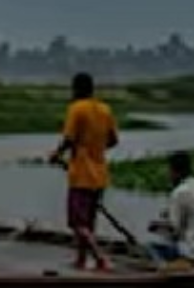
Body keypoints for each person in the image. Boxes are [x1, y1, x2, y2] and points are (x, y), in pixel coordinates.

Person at [48, 72, 119, 271]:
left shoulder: (76, 109)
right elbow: (113, 140)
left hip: (81, 175)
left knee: (77, 222)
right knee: (89, 222)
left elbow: (69, 138)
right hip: (100, 174)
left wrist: (57, 154)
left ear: (77, 89)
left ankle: (100, 259)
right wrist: (96, 147)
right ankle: (80, 260)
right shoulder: (105, 109)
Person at [147, 151, 194, 265]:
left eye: (169, 171)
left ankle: (164, 271)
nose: (168, 175)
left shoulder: (179, 192)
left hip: (192, 252)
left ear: (175, 172)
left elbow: (174, 229)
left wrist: (156, 226)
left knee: (150, 248)